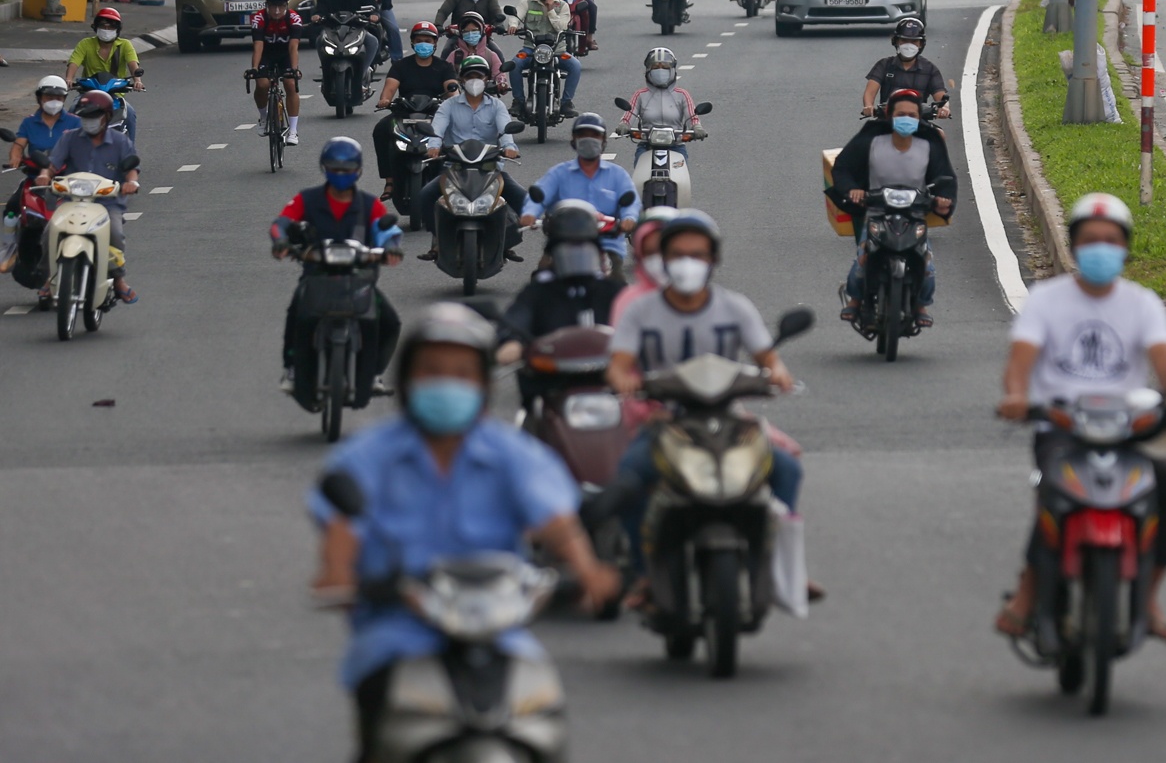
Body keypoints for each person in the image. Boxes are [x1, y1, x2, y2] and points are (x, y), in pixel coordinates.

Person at [308, 305, 620, 762]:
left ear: (483, 385)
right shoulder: (369, 455)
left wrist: (587, 570)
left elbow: (555, 519)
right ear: (407, 380)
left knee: (544, 705)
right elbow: (343, 522)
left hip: (495, 631)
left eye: (461, 374)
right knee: (378, 704)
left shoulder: (511, 453)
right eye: (432, 371)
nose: (446, 384)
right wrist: (337, 574)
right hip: (398, 629)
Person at [995, 192, 1166, 642]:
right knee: (1055, 495)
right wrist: (1016, 397)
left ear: (1126, 247)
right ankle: (1028, 593)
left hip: (1127, 430)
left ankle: (1148, 597)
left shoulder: (1142, 303)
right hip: (1062, 428)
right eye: (1091, 240)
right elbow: (1019, 363)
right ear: (1075, 245)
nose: (1101, 248)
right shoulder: (1046, 300)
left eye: (1111, 240)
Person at [605, 210, 805, 595]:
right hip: (665, 421)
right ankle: (644, 574)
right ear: (664, 259)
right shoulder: (639, 310)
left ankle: (781, 567)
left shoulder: (735, 307)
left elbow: (767, 357)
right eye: (678, 254)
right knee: (628, 480)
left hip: (728, 418)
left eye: (697, 255)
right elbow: (618, 365)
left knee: (786, 470)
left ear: (713, 259)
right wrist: (624, 381)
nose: (688, 263)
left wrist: (778, 373)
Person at [271, 137, 405, 398]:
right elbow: (281, 223)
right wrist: (281, 242)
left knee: (390, 322)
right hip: (316, 277)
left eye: (347, 169)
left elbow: (387, 232)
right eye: (335, 168)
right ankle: (292, 369)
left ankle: (373, 374)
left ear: (359, 170)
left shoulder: (370, 204)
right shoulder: (306, 200)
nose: (341, 174)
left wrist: (390, 248)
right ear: (324, 168)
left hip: (359, 279)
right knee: (297, 314)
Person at [829, 88, 955, 330]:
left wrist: (943, 200)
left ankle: (922, 305)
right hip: (877, 213)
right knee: (863, 258)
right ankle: (855, 300)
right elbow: (842, 168)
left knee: (927, 264)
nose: (906, 119)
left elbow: (945, 177)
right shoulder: (871, 140)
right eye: (900, 114)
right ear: (889, 115)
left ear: (919, 117)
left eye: (912, 115)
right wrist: (852, 190)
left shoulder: (930, 144)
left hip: (914, 214)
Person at [497, 200, 625, 375]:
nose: (576, 254)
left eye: (583, 246)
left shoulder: (611, 289)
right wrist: (512, 341)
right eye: (567, 246)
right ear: (553, 251)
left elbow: (636, 320)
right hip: (551, 377)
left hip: (608, 376)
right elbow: (518, 317)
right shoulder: (539, 291)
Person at [415, 56, 526, 256]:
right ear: (461, 80)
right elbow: (437, 129)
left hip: (489, 168)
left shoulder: (497, 106)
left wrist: (509, 147)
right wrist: (434, 146)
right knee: (425, 196)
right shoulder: (448, 105)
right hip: (454, 168)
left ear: (487, 79)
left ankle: (506, 240)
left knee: (522, 198)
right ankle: (438, 240)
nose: (474, 80)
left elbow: (505, 130)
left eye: (479, 76)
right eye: (469, 76)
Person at [43, 90, 139, 304]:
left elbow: (131, 169)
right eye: (85, 116)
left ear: (107, 116)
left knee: (115, 234)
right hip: (72, 201)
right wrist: (44, 175)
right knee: (50, 231)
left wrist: (131, 182)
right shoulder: (69, 138)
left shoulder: (120, 142)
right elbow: (53, 164)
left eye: (94, 116)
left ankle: (119, 280)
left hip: (107, 204)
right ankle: (49, 278)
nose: (89, 121)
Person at [519, 114, 638, 262]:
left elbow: (631, 202)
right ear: (574, 140)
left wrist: (629, 219)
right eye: (583, 135)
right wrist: (530, 213)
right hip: (563, 245)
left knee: (617, 277)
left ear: (603, 140)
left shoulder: (618, 175)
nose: (589, 140)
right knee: (542, 275)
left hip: (608, 247)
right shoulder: (559, 173)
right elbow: (539, 194)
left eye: (594, 135)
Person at [3, 76, 80, 275]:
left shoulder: (75, 122)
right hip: (35, 178)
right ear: (39, 98)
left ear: (64, 99)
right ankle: (9, 248)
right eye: (48, 97)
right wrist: (15, 158)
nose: (53, 101)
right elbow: (18, 144)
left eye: (58, 97)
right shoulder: (29, 122)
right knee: (11, 209)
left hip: (68, 179)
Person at [371, 22, 455, 197]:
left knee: (453, 133)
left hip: (434, 114)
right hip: (404, 113)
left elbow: (451, 89)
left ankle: (450, 178)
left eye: (428, 41)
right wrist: (385, 100)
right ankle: (389, 181)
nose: (423, 44)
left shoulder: (444, 67)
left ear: (435, 43)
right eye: (419, 41)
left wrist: (454, 101)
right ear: (412, 43)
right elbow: (390, 88)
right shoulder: (401, 66)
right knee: (381, 129)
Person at [506, 0, 581, 118]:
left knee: (575, 66)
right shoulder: (527, 3)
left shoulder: (562, 5)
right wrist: (513, 25)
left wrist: (550, 10)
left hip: (557, 51)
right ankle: (518, 101)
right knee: (515, 64)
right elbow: (516, 15)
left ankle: (566, 103)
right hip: (531, 49)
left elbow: (562, 27)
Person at [66, 6, 144, 141]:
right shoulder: (85, 44)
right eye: (103, 26)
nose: (106, 30)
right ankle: (67, 147)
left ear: (117, 29)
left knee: (130, 114)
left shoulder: (125, 45)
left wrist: (137, 81)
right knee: (72, 111)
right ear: (96, 27)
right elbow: (74, 62)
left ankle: (130, 150)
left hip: (115, 95)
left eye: (111, 27)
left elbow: (133, 64)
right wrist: (68, 79)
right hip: (88, 94)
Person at [249, 0, 306, 146]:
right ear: (266, 5)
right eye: (272, 6)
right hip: (266, 54)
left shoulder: (294, 18)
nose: (276, 11)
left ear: (286, 6)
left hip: (285, 54)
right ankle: (264, 117)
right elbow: (258, 45)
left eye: (280, 6)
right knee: (262, 84)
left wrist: (294, 69)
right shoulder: (259, 18)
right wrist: (255, 68)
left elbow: (293, 47)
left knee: (290, 84)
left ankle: (293, 130)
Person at [859, 17, 950, 118]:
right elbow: (870, 91)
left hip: (918, 120)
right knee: (869, 129)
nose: (909, 45)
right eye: (904, 40)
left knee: (935, 129)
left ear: (921, 44)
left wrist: (944, 108)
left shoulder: (930, 69)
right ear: (896, 41)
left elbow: (940, 96)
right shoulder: (884, 65)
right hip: (886, 120)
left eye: (914, 41)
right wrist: (868, 106)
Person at [309, 0, 385, 74]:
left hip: (357, 28)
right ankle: (326, 70)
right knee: (320, 41)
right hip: (333, 30)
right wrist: (317, 16)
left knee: (372, 41)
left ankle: (364, 71)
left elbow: (374, 9)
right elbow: (320, 9)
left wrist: (374, 15)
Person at [622, 48, 699, 137]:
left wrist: (696, 127)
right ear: (648, 70)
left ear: (672, 70)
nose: (660, 70)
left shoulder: (682, 95)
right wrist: (624, 124)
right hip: (647, 141)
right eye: (655, 67)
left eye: (665, 67)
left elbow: (692, 116)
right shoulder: (640, 95)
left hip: (676, 141)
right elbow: (630, 113)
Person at [437, 11, 512, 92]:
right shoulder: (455, 55)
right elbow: (446, 76)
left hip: (486, 97)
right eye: (466, 31)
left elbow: (499, 75)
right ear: (461, 33)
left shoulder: (490, 55)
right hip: (460, 97)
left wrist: (501, 83)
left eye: (474, 30)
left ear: (481, 31)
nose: (470, 34)